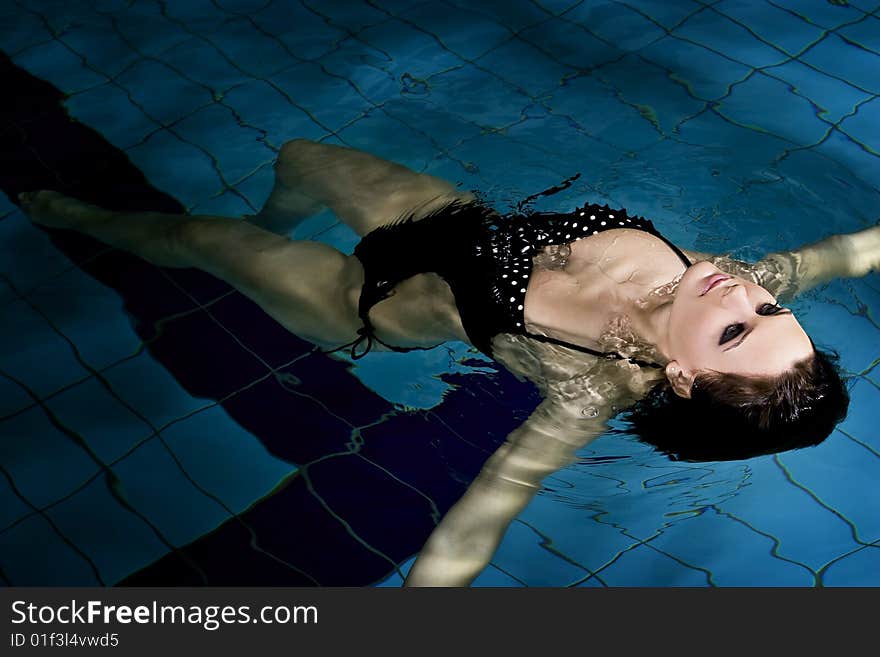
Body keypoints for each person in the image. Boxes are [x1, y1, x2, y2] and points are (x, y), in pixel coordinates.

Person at [18, 139, 878, 586]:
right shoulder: (740, 281)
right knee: (302, 160)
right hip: (453, 224)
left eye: (735, 331)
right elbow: (850, 249)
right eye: (768, 312)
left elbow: (486, 509)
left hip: (364, 300)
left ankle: (92, 220)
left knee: (194, 238)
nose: (740, 296)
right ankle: (272, 225)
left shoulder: (589, 386)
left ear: (682, 379)